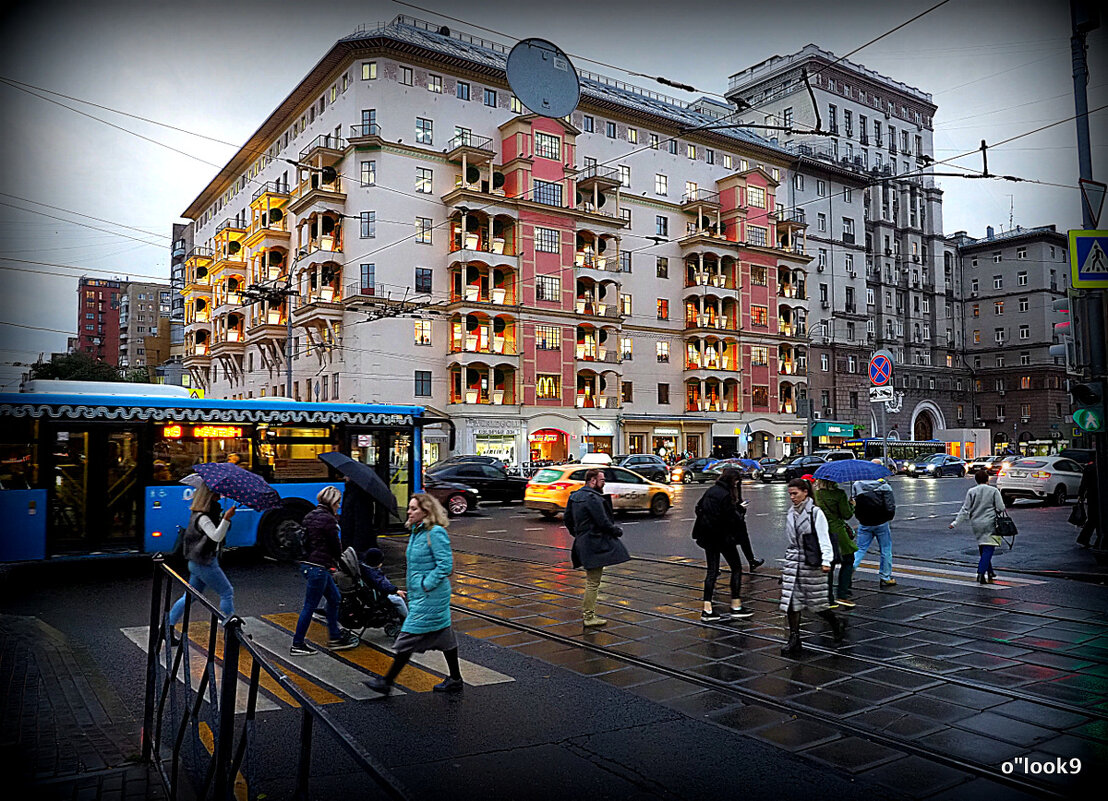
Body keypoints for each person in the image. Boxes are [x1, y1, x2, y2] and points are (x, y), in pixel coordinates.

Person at [367, 493, 463, 694]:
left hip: (431, 594)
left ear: (426, 512)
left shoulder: (435, 533)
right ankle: (455, 679)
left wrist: (426, 583)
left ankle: (387, 681)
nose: (409, 512)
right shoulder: (417, 532)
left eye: (414, 509)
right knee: (445, 636)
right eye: (409, 508)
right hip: (423, 594)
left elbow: (445, 565)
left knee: (408, 635)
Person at [290, 486, 361, 656]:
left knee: (334, 598)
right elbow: (336, 546)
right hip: (319, 567)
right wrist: (338, 560)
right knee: (309, 606)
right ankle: (297, 644)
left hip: (309, 564)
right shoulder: (329, 520)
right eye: (337, 502)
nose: (339, 506)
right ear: (332, 502)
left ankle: (335, 636)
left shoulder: (310, 515)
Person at [780, 478, 845, 655]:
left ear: (805, 492)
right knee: (792, 603)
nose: (792, 497)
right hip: (794, 561)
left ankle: (835, 623)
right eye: (790, 494)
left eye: (795, 493)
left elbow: (824, 538)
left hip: (811, 562)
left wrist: (826, 561)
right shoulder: (790, 512)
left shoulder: (815, 513)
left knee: (817, 604)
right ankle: (794, 638)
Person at [691, 467, 761, 621]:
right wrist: (740, 510)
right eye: (737, 481)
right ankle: (736, 605)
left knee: (712, 571)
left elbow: (698, 508)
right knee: (736, 568)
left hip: (708, 537)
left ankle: (707, 609)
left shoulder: (711, 490)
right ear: (733, 481)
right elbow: (732, 518)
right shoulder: (725, 495)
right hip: (722, 538)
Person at [168, 483, 236, 637]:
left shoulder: (201, 514)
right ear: (208, 497)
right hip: (204, 563)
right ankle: (231, 632)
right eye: (215, 495)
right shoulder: (203, 517)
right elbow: (216, 536)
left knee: (189, 597)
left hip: (197, 562)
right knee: (226, 592)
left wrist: (224, 519)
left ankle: (167, 629)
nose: (219, 498)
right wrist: (226, 518)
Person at [564, 468, 629, 628]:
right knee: (593, 582)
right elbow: (603, 522)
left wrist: (578, 534)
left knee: (592, 580)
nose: (604, 483)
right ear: (592, 481)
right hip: (595, 544)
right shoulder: (593, 499)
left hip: (582, 541)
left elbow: (567, 520)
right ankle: (589, 616)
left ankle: (589, 614)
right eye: (602, 480)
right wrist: (617, 531)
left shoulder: (574, 496)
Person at [950, 469, 1006, 583]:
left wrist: (955, 523)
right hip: (991, 523)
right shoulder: (993, 490)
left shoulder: (972, 491)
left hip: (976, 523)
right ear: (987, 479)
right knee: (989, 548)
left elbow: (965, 509)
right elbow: (1001, 507)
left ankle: (990, 571)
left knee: (983, 546)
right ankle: (981, 573)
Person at [814, 478, 857, 608]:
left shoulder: (816, 494)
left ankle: (828, 598)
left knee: (829, 564)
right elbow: (846, 514)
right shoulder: (839, 494)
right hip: (838, 532)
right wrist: (852, 505)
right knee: (848, 560)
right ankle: (842, 595)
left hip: (822, 531)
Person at [851, 477, 897, 588]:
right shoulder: (885, 486)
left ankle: (849, 571)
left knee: (860, 549)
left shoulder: (857, 485)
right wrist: (888, 517)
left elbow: (854, 504)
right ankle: (885, 577)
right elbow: (890, 506)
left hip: (865, 522)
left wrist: (860, 518)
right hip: (881, 522)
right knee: (885, 549)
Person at [360, 547, 408, 620]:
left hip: (379, 592)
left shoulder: (365, 568)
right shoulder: (372, 574)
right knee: (399, 600)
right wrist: (395, 590)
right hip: (380, 595)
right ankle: (407, 618)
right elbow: (382, 584)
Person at [340, 478, 379, 554]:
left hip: (356, 546)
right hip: (351, 544)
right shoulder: (351, 491)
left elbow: (361, 525)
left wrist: (356, 549)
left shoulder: (358, 495)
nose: (344, 477)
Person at [1076, 460, 1099, 548]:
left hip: (1092, 496)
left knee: (1093, 518)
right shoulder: (1094, 468)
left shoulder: (1090, 468)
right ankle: (1097, 539)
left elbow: (1084, 483)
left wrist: (1081, 494)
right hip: (1097, 496)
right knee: (1096, 519)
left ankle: (1084, 538)